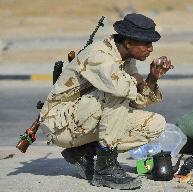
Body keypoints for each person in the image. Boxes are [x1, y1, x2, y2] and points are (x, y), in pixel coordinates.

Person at [39, 13, 173, 190]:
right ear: (129, 43)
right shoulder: (98, 55)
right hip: (59, 124)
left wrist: (151, 79)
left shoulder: (127, 58)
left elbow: (136, 100)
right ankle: (105, 169)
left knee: (155, 124)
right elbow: (121, 89)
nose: (151, 49)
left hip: (85, 119)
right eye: (146, 43)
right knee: (116, 93)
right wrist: (136, 80)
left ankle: (82, 152)